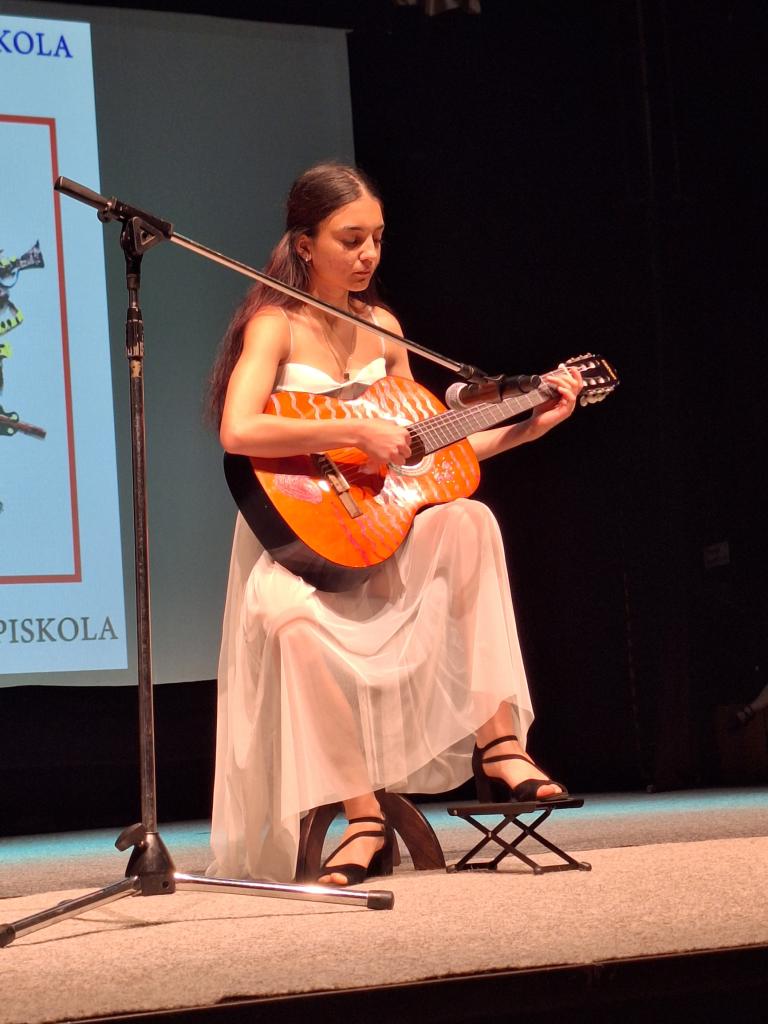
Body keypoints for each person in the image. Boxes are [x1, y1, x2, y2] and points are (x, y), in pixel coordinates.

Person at [206, 162, 582, 887]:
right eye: (350, 239)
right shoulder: (274, 324)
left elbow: (426, 452)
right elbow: (238, 428)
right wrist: (354, 428)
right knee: (286, 616)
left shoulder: (382, 329)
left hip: (382, 531)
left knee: (468, 518)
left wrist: (529, 426)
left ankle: (500, 743)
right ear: (306, 244)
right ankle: (362, 817)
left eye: (377, 238)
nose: (368, 255)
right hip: (303, 545)